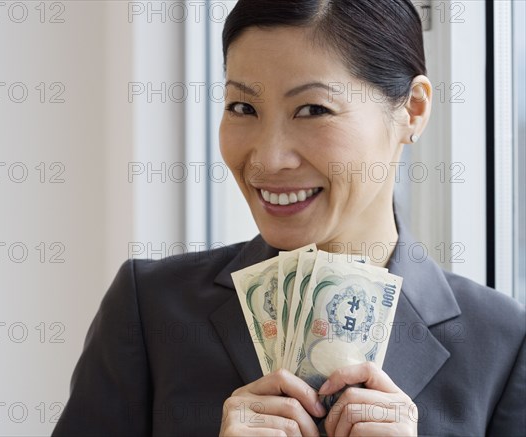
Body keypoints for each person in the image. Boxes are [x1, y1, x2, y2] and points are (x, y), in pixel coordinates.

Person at [52, 0, 526, 435]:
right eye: (243, 107)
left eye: (313, 109)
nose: (268, 158)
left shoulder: (501, 343)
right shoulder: (151, 310)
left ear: (413, 110)